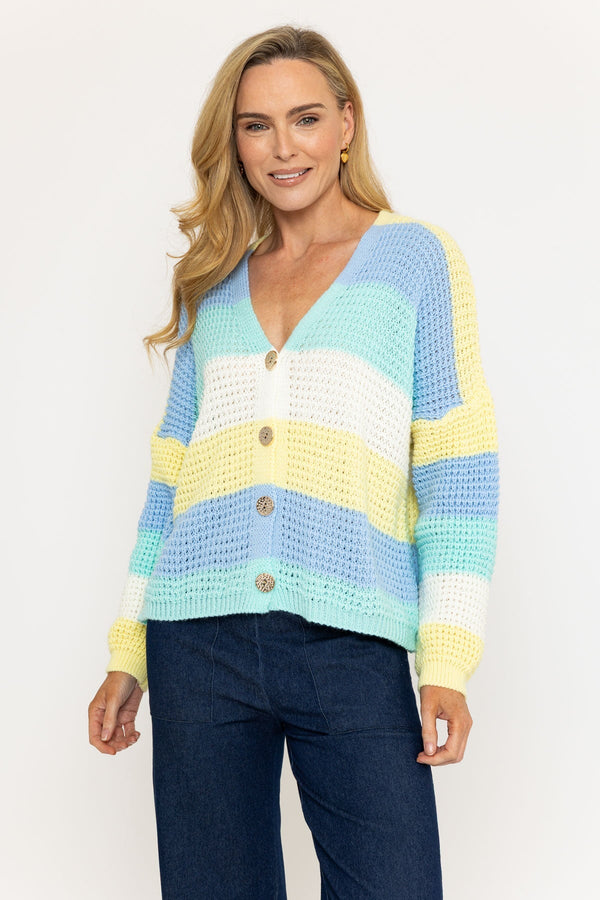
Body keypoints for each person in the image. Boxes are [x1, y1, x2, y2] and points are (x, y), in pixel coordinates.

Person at [88, 24, 499, 899]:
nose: (283, 147)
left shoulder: (415, 260)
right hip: (197, 643)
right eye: (257, 125)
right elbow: (170, 484)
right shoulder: (215, 284)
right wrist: (129, 650)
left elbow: (458, 473)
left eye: (305, 118)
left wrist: (447, 660)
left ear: (346, 124)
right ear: (234, 143)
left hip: (351, 641)